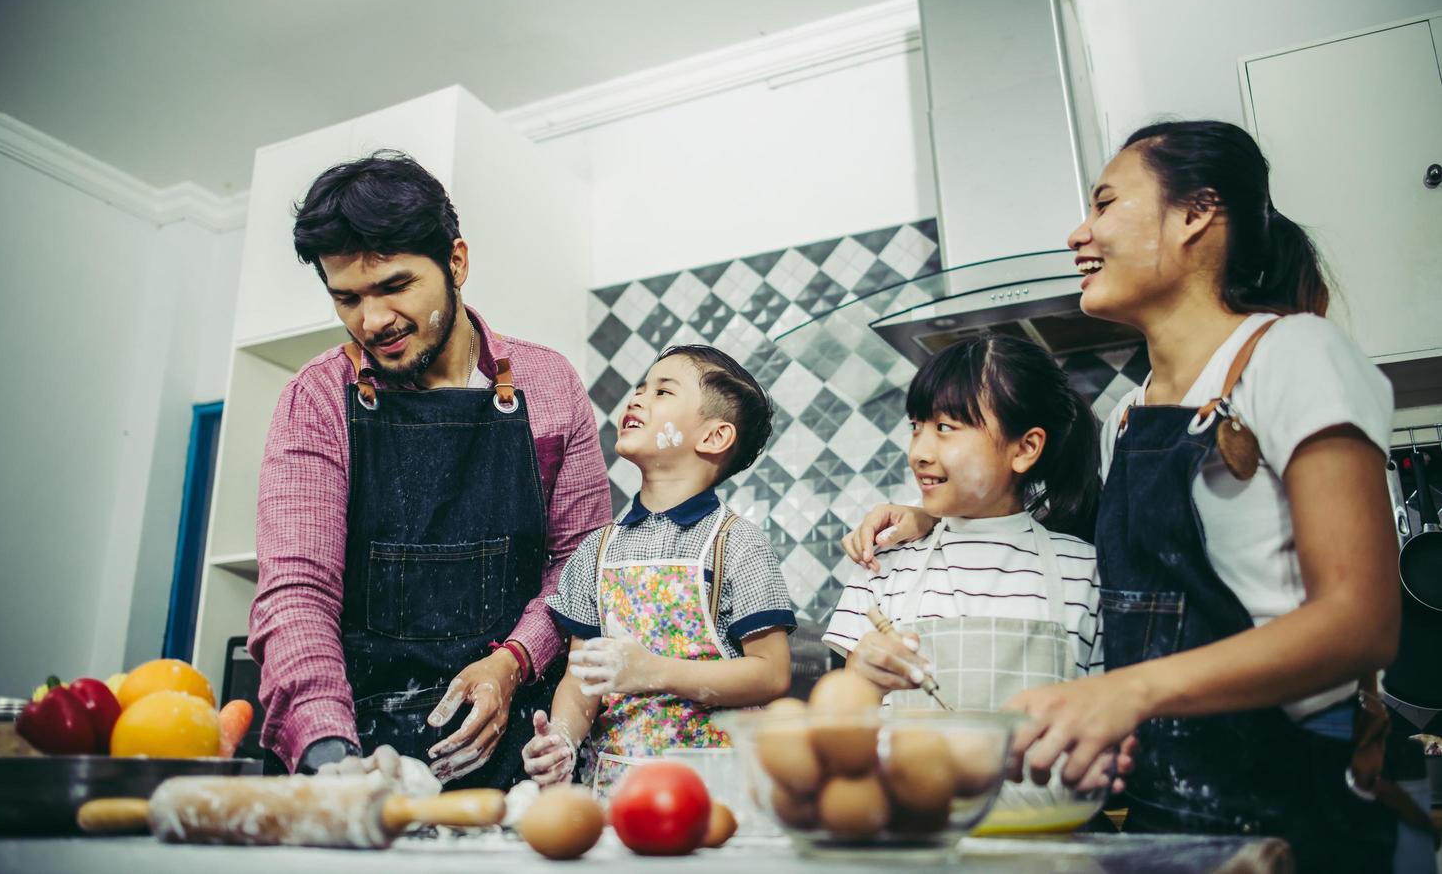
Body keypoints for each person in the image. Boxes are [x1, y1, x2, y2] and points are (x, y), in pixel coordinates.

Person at [844, 122, 1407, 869]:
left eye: (1106, 204)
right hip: (1162, 798)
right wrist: (930, 516)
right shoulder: (1129, 417)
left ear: (1195, 213)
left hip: (1289, 783)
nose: (1080, 233)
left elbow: (1359, 622)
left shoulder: (1294, 354)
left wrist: (1127, 694)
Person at [248, 151, 613, 788]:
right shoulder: (316, 399)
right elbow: (297, 594)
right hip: (359, 746)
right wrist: (331, 759)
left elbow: (579, 567)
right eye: (347, 299)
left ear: (456, 261)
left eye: (394, 287)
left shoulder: (549, 386)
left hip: (525, 753)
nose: (372, 321)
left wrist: (513, 661)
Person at [825, 334, 1110, 814]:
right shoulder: (884, 566)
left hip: (1047, 843)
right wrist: (863, 680)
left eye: (945, 427)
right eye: (916, 427)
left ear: (1025, 449)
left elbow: (1104, 722)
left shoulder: (1084, 572)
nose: (919, 450)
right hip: (912, 839)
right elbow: (831, 739)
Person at [521, 345, 795, 795]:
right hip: (613, 791)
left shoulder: (737, 543)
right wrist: (562, 740)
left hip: (715, 792)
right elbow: (581, 676)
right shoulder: (596, 550)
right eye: (639, 388)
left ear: (713, 437)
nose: (637, 399)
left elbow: (770, 673)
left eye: (662, 392)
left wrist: (654, 671)